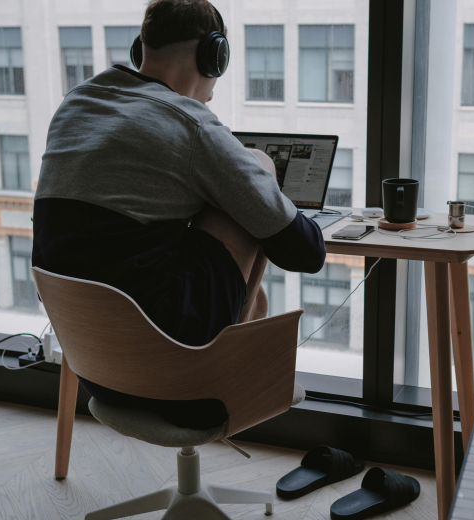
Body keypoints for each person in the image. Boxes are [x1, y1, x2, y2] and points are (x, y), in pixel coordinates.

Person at [32, 0, 326, 430]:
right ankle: (226, 364)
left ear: (141, 50)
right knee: (256, 167)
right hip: (181, 382)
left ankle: (232, 340)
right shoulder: (193, 126)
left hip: (97, 371)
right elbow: (306, 254)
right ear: (215, 54)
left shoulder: (76, 105)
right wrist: (256, 178)